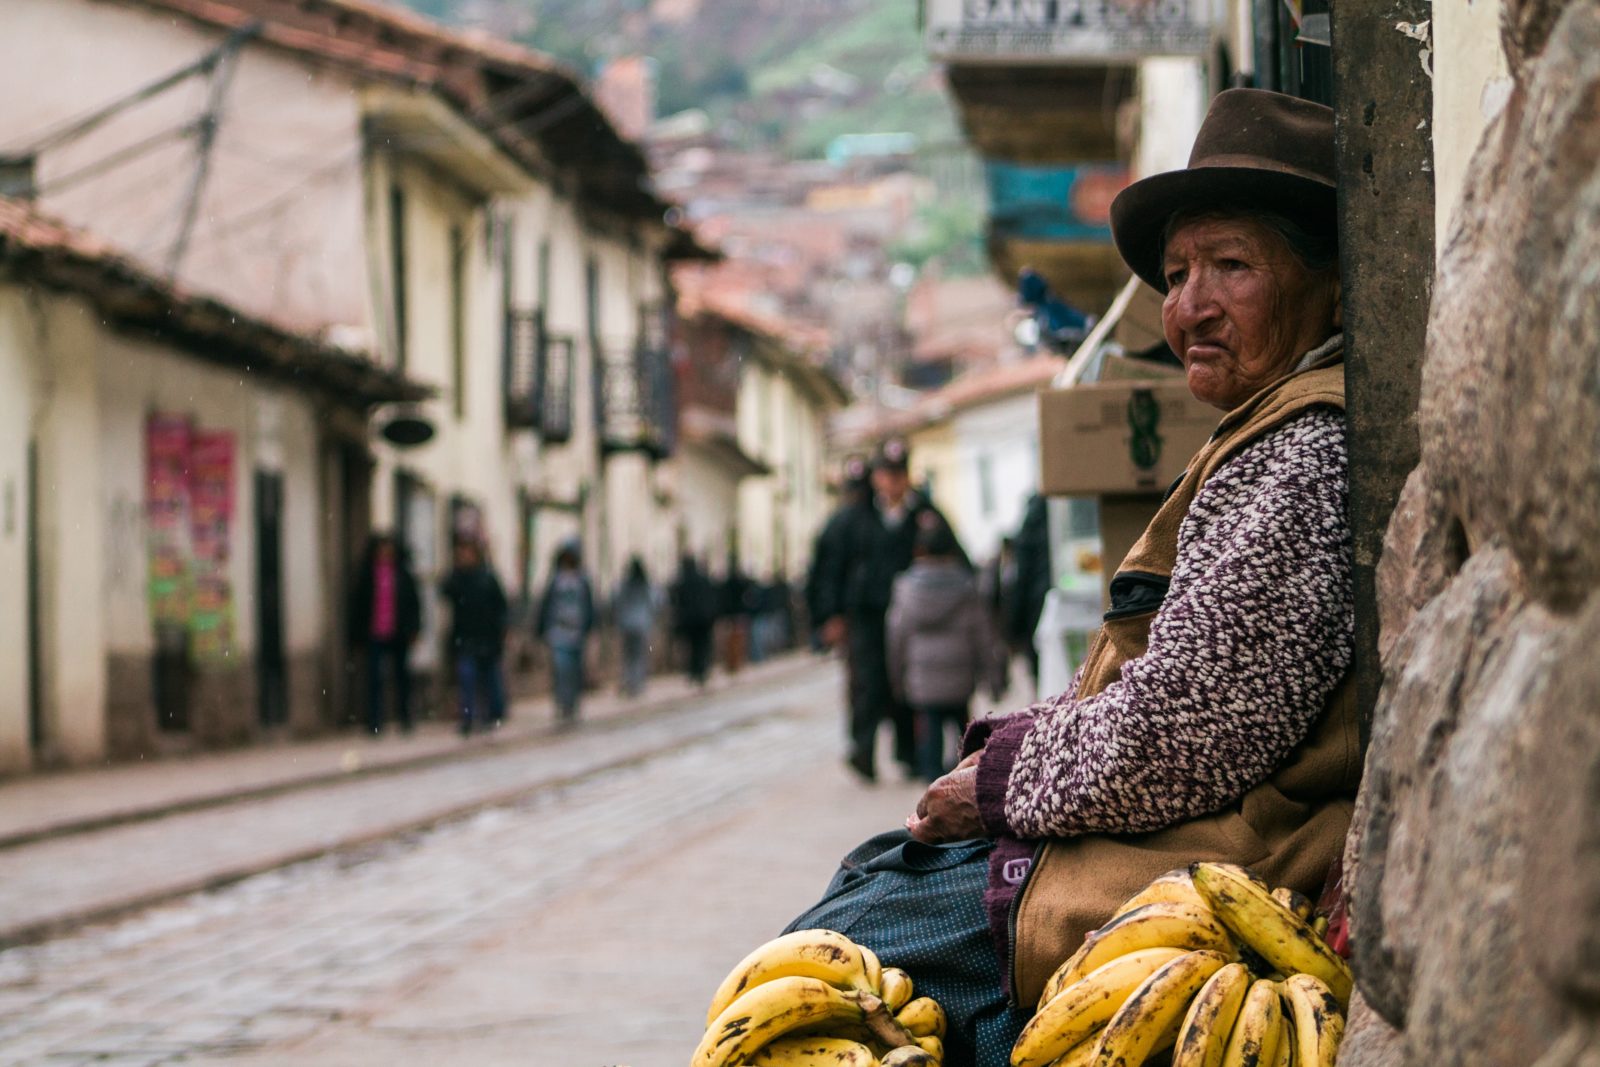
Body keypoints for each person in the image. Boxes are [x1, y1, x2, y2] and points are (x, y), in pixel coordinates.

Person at [784, 90, 1362, 1067]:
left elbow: (1191, 733)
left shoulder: (1303, 448)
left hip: (1221, 862)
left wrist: (1000, 782)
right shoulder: (1263, 429)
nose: (1189, 307)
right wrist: (1011, 745)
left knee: (845, 958)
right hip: (1182, 829)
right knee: (867, 888)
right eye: (1177, 275)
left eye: (1231, 265)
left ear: (1330, 282)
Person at [811, 437, 965, 783]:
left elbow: (954, 560)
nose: (892, 481)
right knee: (868, 682)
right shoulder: (854, 519)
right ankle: (862, 750)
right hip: (866, 616)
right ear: (876, 477)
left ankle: (908, 753)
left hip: (913, 619)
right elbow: (829, 569)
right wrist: (830, 614)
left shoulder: (926, 515)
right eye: (886, 473)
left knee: (908, 686)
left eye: (898, 473)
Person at [887, 523, 1005, 783]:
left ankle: (932, 788)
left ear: (919, 551)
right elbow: (984, 635)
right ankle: (962, 781)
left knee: (929, 735)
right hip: (961, 677)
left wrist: (896, 676)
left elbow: (896, 636)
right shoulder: (966, 586)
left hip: (923, 679)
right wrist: (994, 677)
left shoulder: (906, 589)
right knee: (963, 736)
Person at [348, 533, 422, 735]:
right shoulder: (368, 575)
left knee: (402, 679)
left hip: (398, 633)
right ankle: (374, 721)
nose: (385, 554)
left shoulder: (402, 574)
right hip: (375, 632)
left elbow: (413, 603)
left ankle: (405, 718)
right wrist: (356, 634)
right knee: (374, 680)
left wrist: (414, 628)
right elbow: (359, 606)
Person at [439, 538, 509, 736]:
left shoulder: (488, 577)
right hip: (465, 637)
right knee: (467, 678)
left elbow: (500, 606)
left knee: (488, 679)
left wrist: (501, 630)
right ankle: (467, 717)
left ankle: (492, 715)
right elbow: (444, 591)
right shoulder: (457, 578)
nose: (465, 557)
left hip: (487, 637)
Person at [537, 540, 595, 724]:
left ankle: (572, 704)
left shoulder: (582, 580)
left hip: (577, 634)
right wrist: (540, 629)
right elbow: (545, 605)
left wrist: (590, 627)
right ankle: (562, 703)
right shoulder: (555, 580)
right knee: (561, 670)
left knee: (574, 671)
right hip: (558, 633)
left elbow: (590, 606)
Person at [613, 555, 657, 698]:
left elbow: (615, 599)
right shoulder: (645, 584)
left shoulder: (625, 584)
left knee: (629, 655)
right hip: (642, 624)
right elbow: (655, 601)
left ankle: (630, 682)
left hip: (626, 624)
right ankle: (637, 683)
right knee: (639, 655)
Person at [670, 554, 718, 686]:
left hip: (689, 619)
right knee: (702, 646)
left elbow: (676, 600)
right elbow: (711, 597)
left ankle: (694, 671)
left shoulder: (682, 581)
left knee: (692, 646)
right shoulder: (703, 579)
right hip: (703, 619)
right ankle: (701, 670)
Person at [719, 557, 755, 674]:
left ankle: (733, 663)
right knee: (738, 638)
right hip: (738, 613)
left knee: (732, 639)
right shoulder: (740, 582)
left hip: (730, 614)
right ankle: (737, 662)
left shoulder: (727, 583)